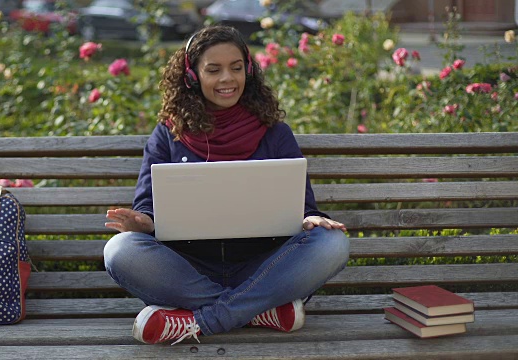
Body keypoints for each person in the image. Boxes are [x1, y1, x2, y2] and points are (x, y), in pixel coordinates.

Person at [103, 25, 349, 345]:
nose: (227, 79)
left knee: (333, 243)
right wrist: (142, 221)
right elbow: (147, 202)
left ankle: (202, 320)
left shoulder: (275, 133)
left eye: (235, 68)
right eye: (213, 70)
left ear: (248, 70)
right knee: (120, 250)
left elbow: (302, 205)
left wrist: (310, 217)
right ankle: (259, 310)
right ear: (192, 77)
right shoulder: (168, 134)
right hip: (188, 271)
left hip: (263, 267)